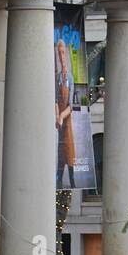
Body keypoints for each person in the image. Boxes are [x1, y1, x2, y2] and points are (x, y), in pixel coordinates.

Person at [55, 38, 76, 188]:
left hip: (66, 120)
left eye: (63, 53)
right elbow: (56, 99)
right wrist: (57, 116)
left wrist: (62, 116)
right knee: (60, 152)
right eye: (59, 54)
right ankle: (59, 181)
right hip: (59, 121)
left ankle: (73, 181)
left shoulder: (70, 78)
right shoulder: (57, 78)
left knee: (69, 150)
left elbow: (71, 105)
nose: (61, 57)